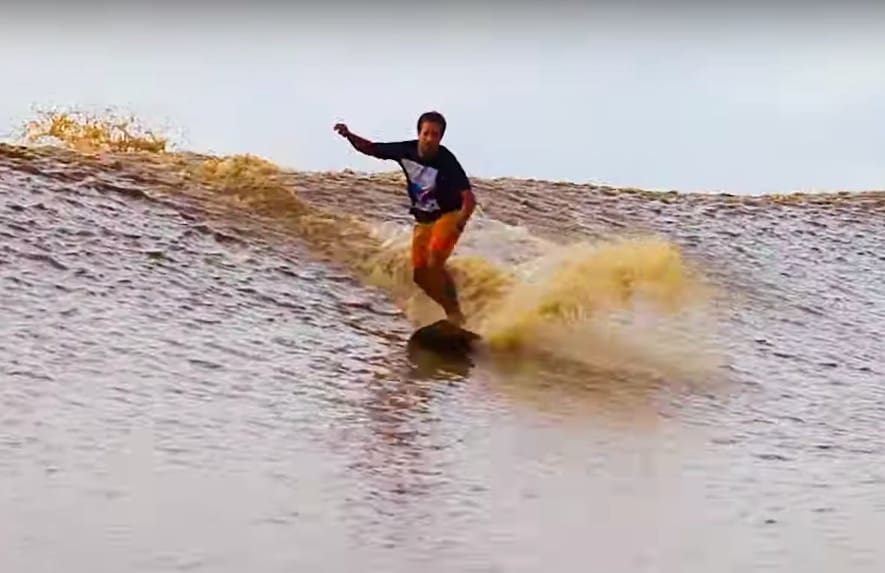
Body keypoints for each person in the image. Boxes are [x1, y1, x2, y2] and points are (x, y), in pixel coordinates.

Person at [334, 111, 476, 326]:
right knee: (420, 276)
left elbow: (469, 199)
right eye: (426, 133)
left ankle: (455, 313)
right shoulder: (404, 150)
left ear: (440, 138)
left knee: (435, 261)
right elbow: (370, 148)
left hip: (449, 215)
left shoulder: (446, 160)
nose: (430, 139)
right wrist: (349, 135)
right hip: (423, 220)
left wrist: (460, 222)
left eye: (435, 135)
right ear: (419, 133)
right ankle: (452, 312)